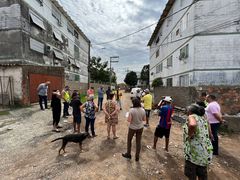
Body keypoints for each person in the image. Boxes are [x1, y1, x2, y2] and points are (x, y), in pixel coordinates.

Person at [183, 104, 213, 180]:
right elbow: (210, 133)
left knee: (191, 175)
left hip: (194, 153)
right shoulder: (203, 118)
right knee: (202, 174)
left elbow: (192, 125)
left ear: (190, 111)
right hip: (204, 152)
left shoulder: (191, 116)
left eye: (187, 110)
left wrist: (189, 135)